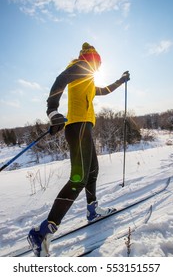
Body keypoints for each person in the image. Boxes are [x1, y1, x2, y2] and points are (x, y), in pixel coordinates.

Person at [28, 42, 130, 257]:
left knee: (92, 171)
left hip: (85, 127)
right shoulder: (80, 66)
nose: (98, 66)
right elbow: (60, 79)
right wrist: (52, 110)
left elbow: (102, 90)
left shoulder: (87, 78)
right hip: (77, 126)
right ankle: (42, 231)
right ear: (91, 59)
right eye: (97, 62)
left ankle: (92, 210)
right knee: (79, 178)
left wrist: (120, 81)